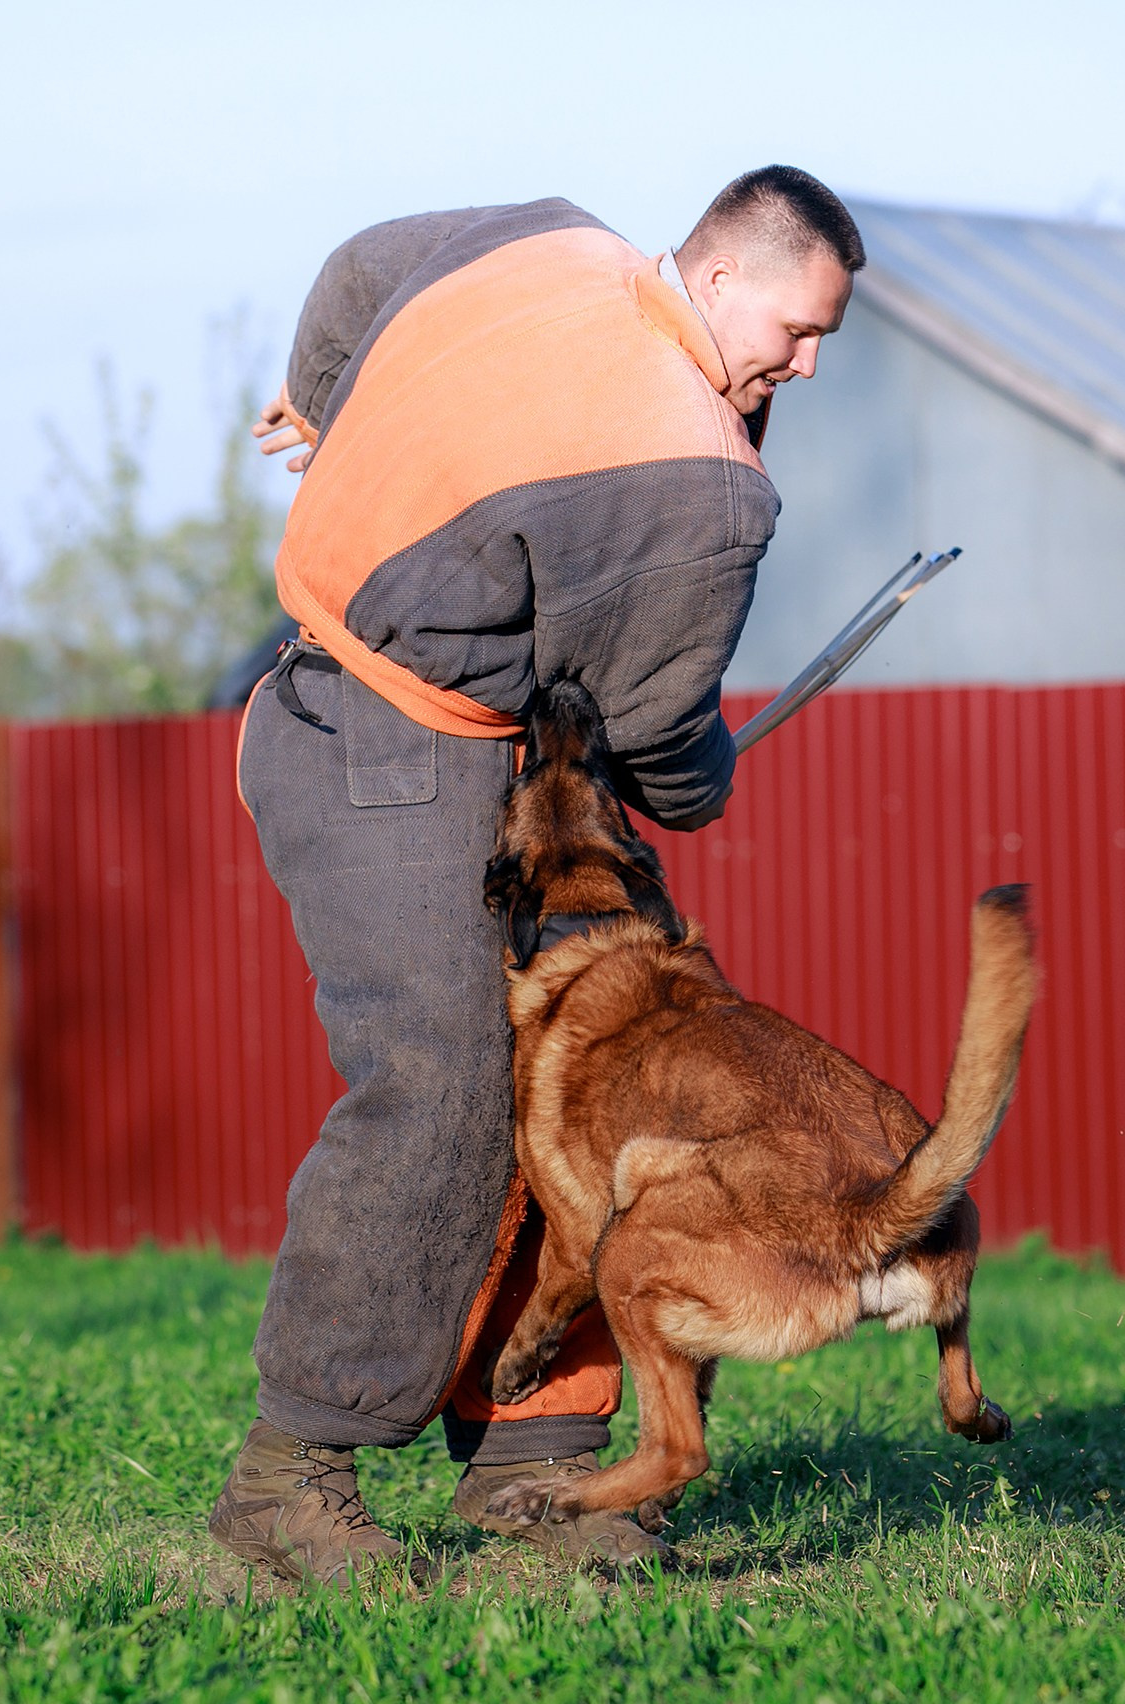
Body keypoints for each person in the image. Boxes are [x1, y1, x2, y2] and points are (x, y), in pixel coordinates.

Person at [210, 166, 864, 1585]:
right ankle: (289, 1478)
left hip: (372, 716)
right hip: (387, 750)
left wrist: (325, 402)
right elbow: (656, 742)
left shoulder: (551, 241)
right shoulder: (702, 482)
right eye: (799, 334)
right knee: (446, 1089)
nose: (804, 367)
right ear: (724, 278)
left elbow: (361, 257)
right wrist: (710, 780)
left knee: (596, 1087)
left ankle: (537, 1465)